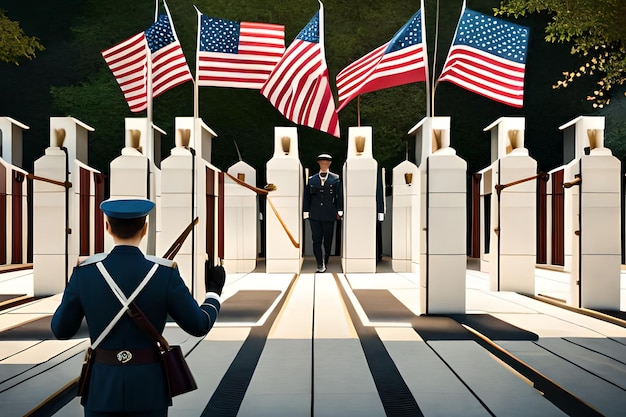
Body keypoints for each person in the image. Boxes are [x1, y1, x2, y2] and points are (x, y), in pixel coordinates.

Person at [51, 198, 225, 417]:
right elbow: (199, 325)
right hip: (150, 388)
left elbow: (61, 330)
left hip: (101, 388)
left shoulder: (85, 273)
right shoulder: (164, 273)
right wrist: (213, 292)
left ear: (107, 227)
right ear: (145, 229)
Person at [303, 153, 343, 272]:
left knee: (328, 239)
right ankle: (320, 263)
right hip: (315, 214)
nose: (324, 164)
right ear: (318, 163)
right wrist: (306, 210)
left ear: (330, 163)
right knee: (316, 239)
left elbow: (339, 195)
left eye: (326, 162)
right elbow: (307, 196)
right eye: (322, 162)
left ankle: (325, 258)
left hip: (329, 214)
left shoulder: (335, 179)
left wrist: (340, 210)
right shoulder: (312, 179)